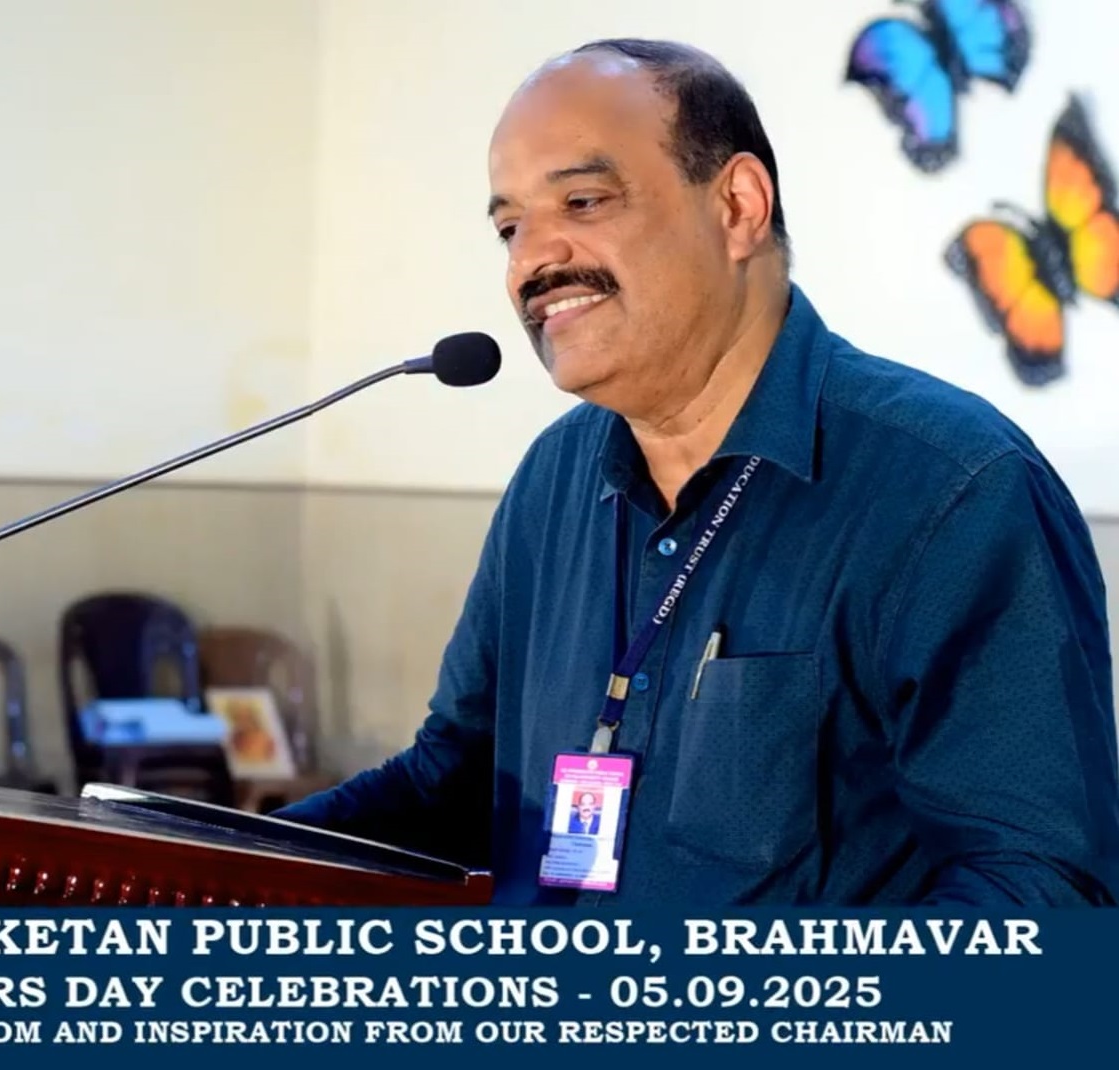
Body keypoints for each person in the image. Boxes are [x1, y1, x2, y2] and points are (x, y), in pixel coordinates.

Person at [274, 38, 1119, 906]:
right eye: (508, 227)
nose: (532, 261)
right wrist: (212, 856)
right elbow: (450, 787)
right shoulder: (552, 481)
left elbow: (1040, 895)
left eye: (582, 201)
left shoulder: (950, 491)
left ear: (738, 206)